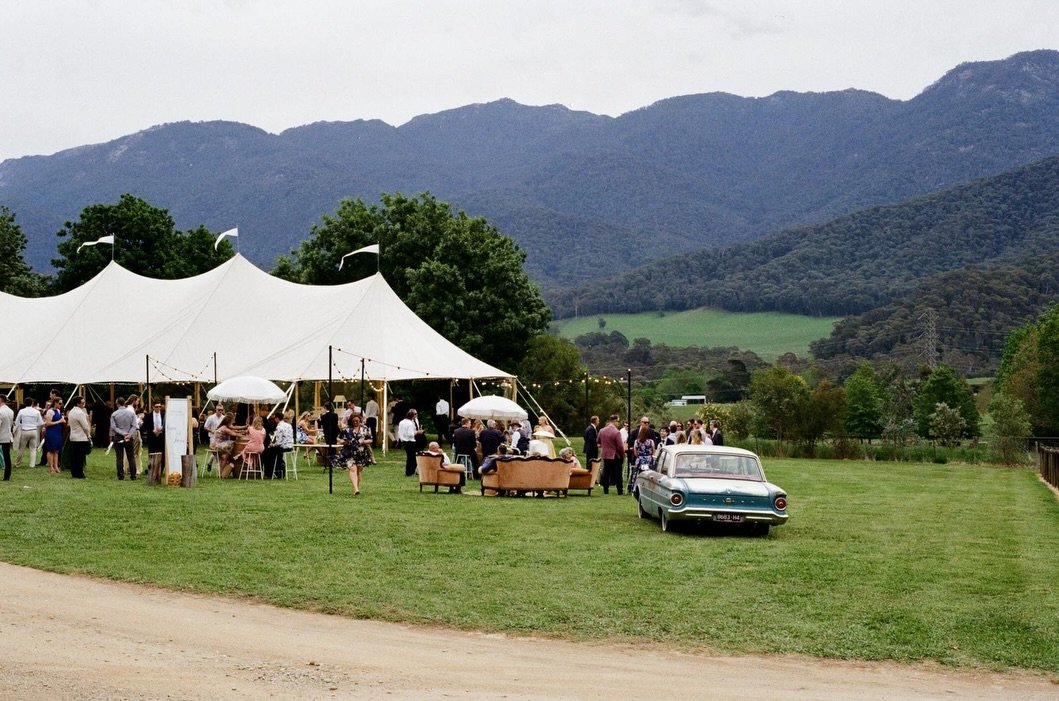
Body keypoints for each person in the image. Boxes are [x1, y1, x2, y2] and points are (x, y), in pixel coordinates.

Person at [339, 414, 372, 495]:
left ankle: (356, 488)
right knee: (353, 469)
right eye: (353, 421)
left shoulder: (365, 429)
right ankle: (356, 489)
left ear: (360, 420)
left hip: (360, 453)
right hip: (349, 453)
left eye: (357, 421)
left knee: (359, 470)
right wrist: (344, 441)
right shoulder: (347, 429)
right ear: (351, 421)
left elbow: (371, 439)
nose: (355, 422)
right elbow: (339, 439)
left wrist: (363, 442)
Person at [109, 397, 139, 480]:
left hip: (118, 436)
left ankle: (120, 475)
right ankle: (133, 475)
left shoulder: (114, 414)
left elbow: (113, 427)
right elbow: (134, 426)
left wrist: (122, 433)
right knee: (131, 457)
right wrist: (128, 434)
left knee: (119, 457)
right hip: (129, 437)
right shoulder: (131, 413)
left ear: (117, 403)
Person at [598, 414, 625, 495]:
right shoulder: (616, 432)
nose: (618, 423)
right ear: (614, 421)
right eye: (618, 421)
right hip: (615, 455)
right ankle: (619, 490)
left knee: (606, 472)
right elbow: (620, 446)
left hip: (605, 454)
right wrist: (622, 454)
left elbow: (598, 441)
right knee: (617, 473)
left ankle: (605, 489)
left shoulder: (602, 431)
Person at [66, 396, 91, 479]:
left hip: (73, 436)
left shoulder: (71, 412)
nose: (84, 404)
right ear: (78, 403)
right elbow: (85, 426)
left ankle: (74, 473)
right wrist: (88, 435)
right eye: (82, 403)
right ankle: (80, 474)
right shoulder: (80, 413)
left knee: (74, 456)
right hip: (81, 437)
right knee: (80, 457)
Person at [14, 398, 43, 469]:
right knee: (33, 449)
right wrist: (34, 424)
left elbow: (17, 422)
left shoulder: (21, 411)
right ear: (32, 403)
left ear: (24, 403)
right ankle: (32, 465)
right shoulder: (36, 411)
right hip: (34, 431)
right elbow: (41, 423)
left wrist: (22, 425)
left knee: (21, 448)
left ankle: (18, 463)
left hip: (25, 431)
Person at [629, 423, 656, 495]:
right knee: (649, 475)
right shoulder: (651, 442)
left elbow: (635, 452)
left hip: (640, 459)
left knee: (638, 474)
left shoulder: (636, 441)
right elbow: (653, 451)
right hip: (648, 459)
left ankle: (634, 488)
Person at [43, 397, 66, 474]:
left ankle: (56, 466)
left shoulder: (59, 411)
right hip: (51, 432)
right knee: (51, 450)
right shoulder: (50, 411)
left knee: (56, 450)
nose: (61, 405)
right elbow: (48, 423)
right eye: (59, 403)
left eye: (61, 403)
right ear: (55, 403)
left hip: (58, 431)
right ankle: (51, 467)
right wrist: (59, 421)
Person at [397, 408, 421, 477]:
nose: (416, 415)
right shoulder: (410, 424)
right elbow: (410, 434)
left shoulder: (401, 422)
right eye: (415, 414)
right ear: (412, 416)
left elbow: (399, 433)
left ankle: (409, 471)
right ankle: (410, 472)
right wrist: (417, 432)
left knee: (409, 457)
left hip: (404, 441)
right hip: (410, 441)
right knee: (412, 458)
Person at [203, 405, 225, 471]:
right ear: (216, 410)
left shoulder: (224, 418)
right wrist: (212, 431)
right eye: (219, 410)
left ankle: (210, 463)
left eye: (221, 410)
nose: (220, 411)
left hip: (221, 438)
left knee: (220, 452)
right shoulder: (211, 418)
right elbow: (205, 427)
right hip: (212, 438)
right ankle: (219, 468)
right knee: (215, 452)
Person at [0, 394, 13, 481]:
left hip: (1, 435)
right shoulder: (10, 411)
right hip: (7, 436)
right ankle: (7, 476)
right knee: (7, 457)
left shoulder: (0, 411)